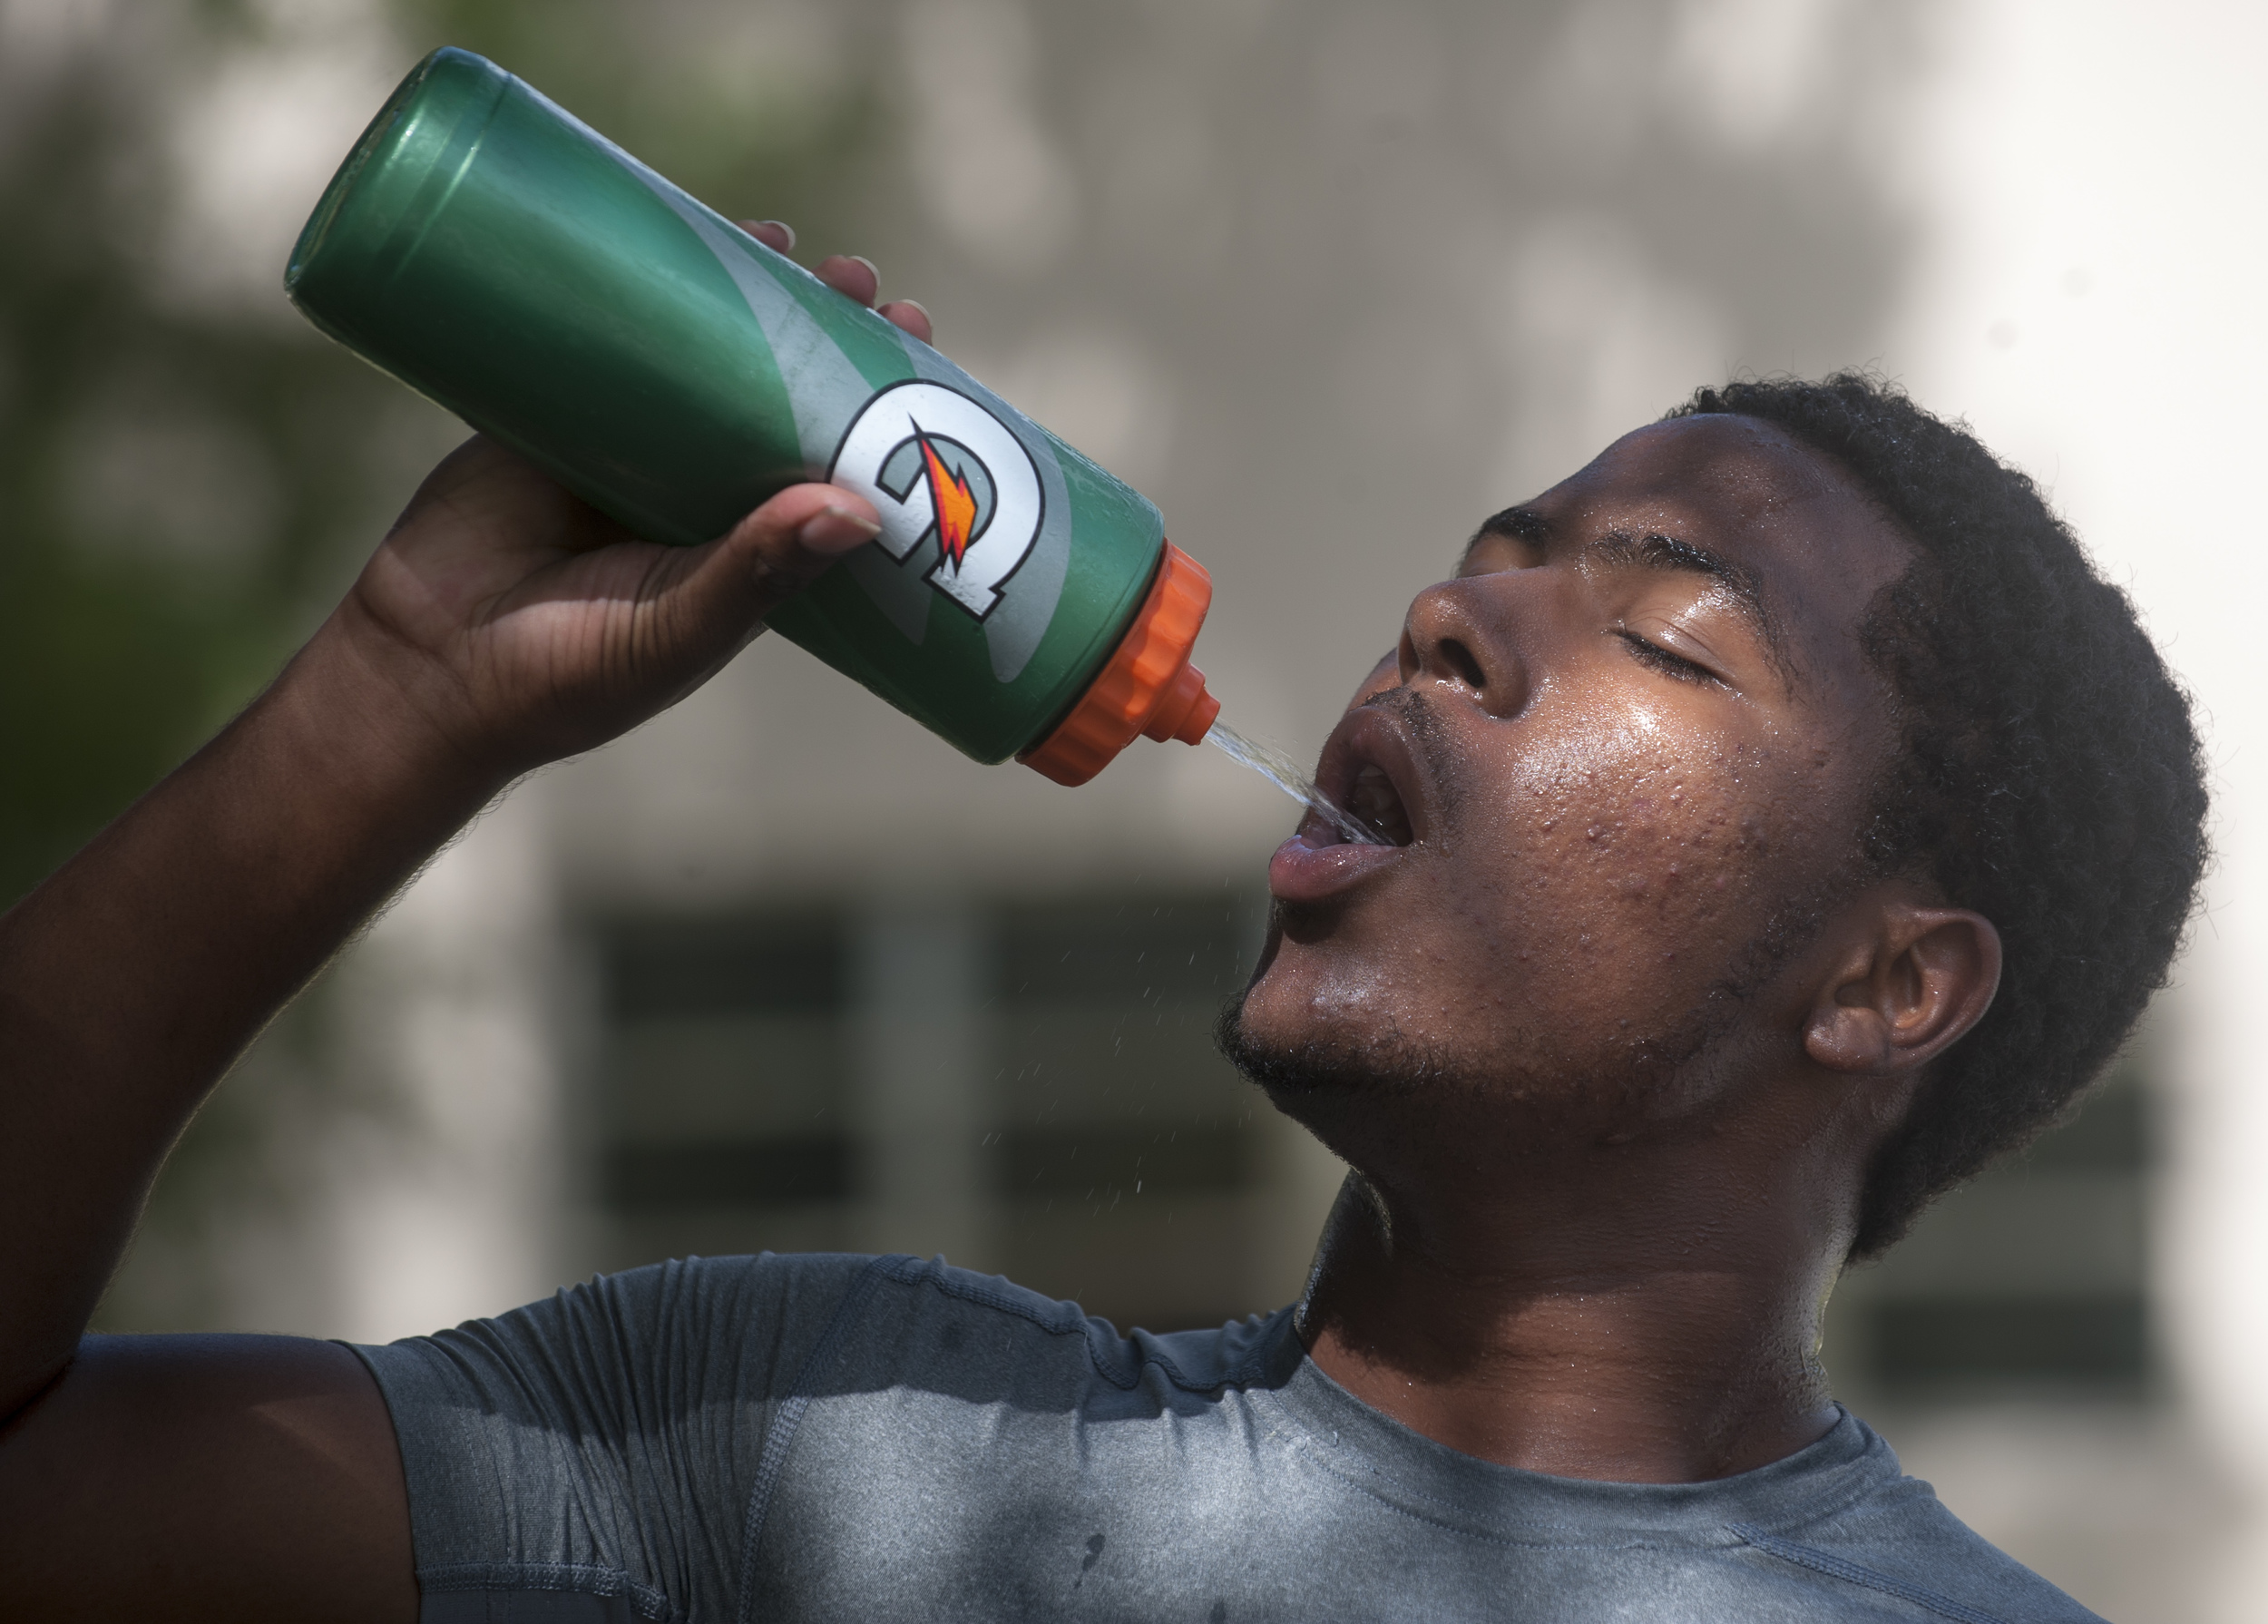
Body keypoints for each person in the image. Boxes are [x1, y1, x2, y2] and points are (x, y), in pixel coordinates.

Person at [0, 224, 2205, 1623]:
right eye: (1493, 555)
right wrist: (393, 691)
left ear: (1885, 984)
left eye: (1662, 629)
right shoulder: (807, 1444)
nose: (1446, 618)